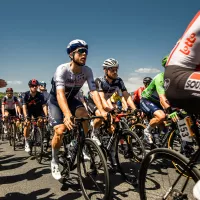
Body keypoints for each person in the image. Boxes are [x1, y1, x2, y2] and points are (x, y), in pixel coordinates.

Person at [48, 39, 108, 180]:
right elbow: (60, 94)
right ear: (71, 54)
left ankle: (77, 143)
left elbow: (93, 92)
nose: (84, 54)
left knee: (85, 116)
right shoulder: (62, 70)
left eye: (86, 51)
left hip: (72, 100)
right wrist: (67, 114)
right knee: (60, 130)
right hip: (56, 101)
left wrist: (102, 111)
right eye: (80, 51)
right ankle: (54, 160)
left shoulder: (87, 71)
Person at [140, 60, 172, 144]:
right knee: (161, 116)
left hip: (157, 102)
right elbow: (162, 97)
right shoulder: (160, 78)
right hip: (147, 99)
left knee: (167, 123)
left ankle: (162, 141)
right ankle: (147, 131)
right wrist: (169, 110)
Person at [22, 79, 48, 153]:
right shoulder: (26, 95)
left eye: (35, 86)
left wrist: (46, 115)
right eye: (32, 86)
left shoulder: (40, 95)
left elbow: (44, 105)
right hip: (29, 111)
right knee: (27, 124)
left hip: (38, 111)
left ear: (37, 87)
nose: (34, 87)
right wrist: (26, 116)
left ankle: (38, 137)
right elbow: (24, 106)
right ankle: (27, 141)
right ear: (29, 87)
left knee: (40, 121)